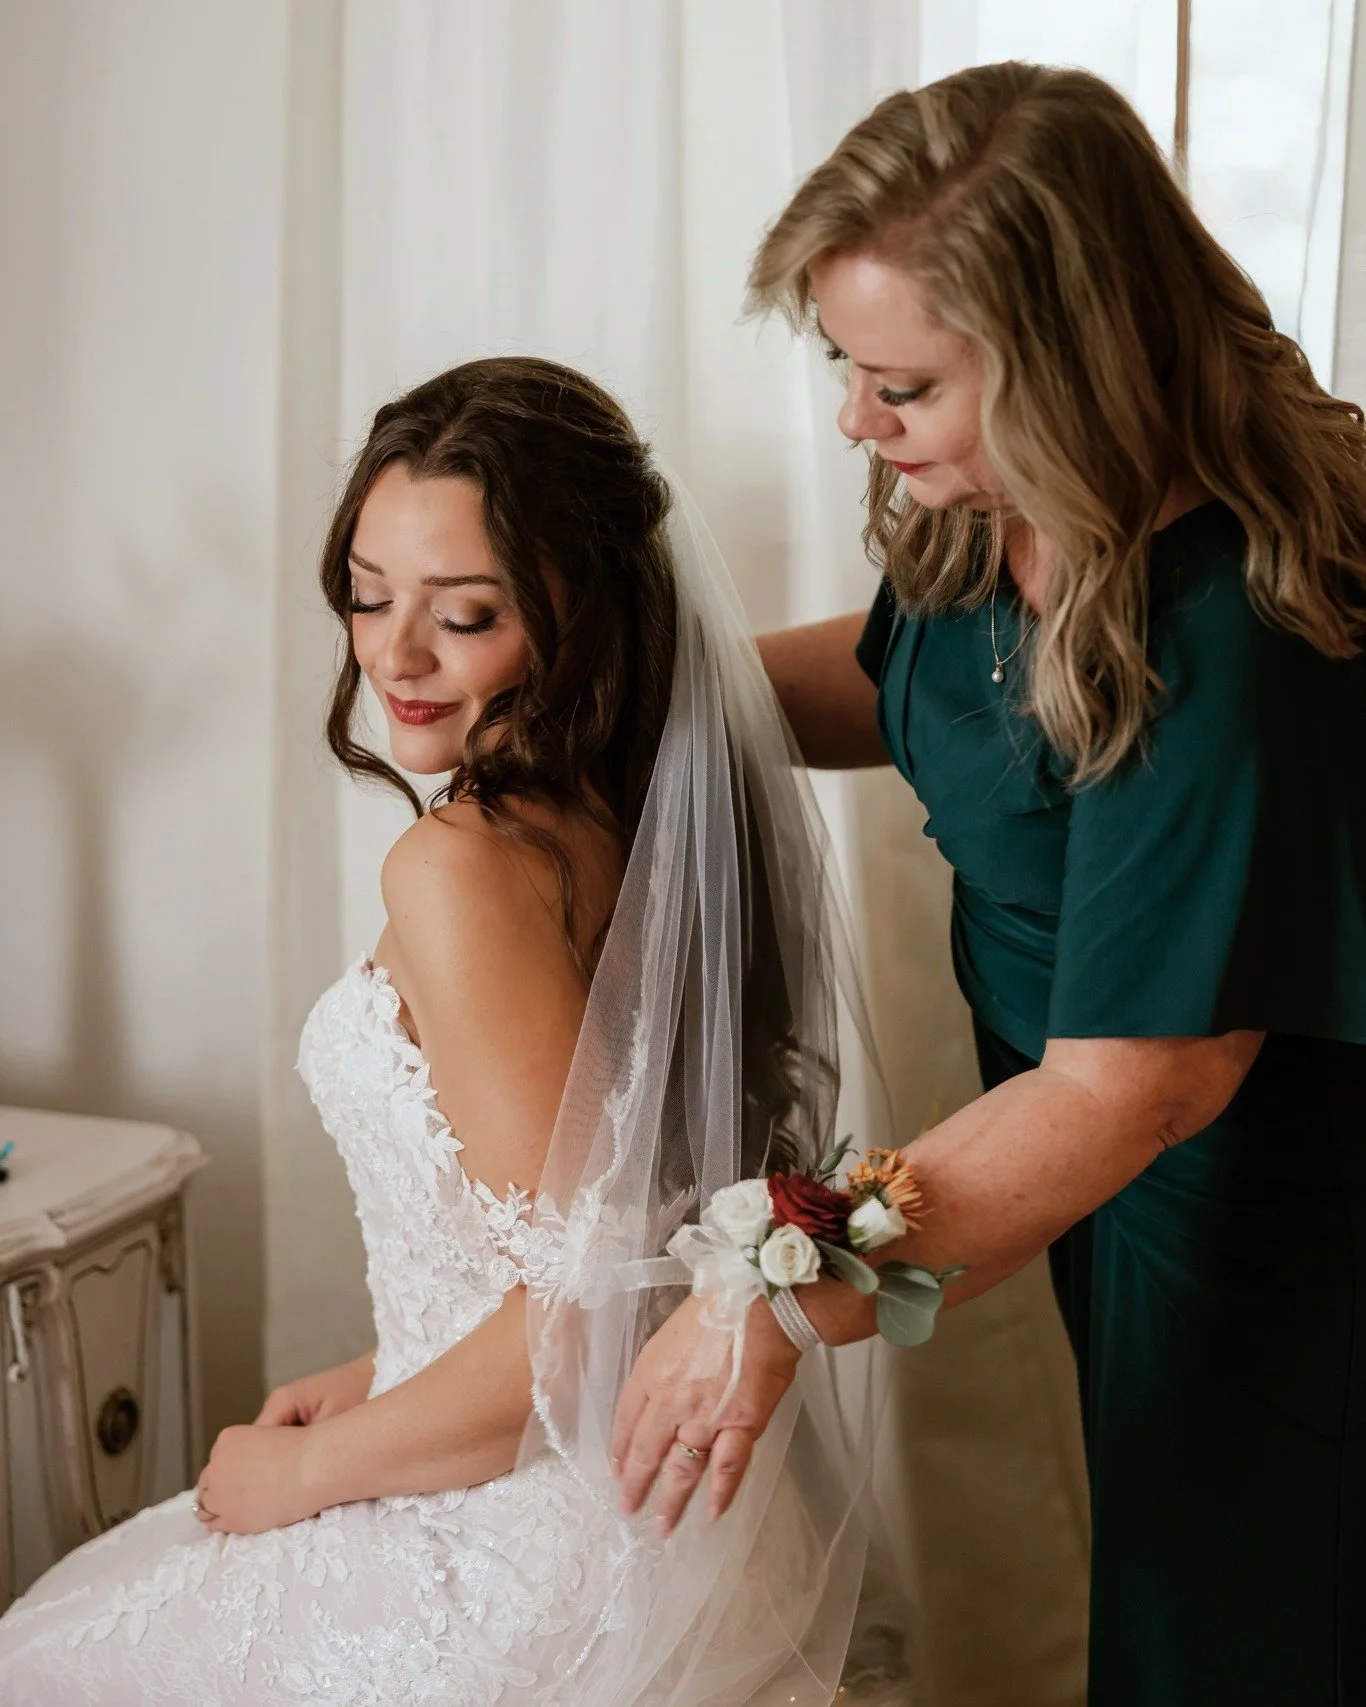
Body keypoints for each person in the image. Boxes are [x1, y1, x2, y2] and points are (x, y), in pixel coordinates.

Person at [612, 61, 1366, 1707]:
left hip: (1255, 1219)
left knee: (1245, 1632)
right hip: (1095, 1183)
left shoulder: (1228, 632)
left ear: (1067, 361)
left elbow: (1122, 1090)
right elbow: (912, 688)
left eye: (901, 385)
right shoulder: (995, 499)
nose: (852, 423)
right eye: (842, 366)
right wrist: (642, 699)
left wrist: (767, 1286)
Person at [0, 359, 891, 1706]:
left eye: (461, 613)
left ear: (573, 614)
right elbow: (612, 1226)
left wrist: (300, 1471)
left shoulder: (463, 867)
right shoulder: (626, 804)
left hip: (544, 1528)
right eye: (367, 593)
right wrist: (375, 1375)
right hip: (667, 1500)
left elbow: (578, 1315)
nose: (393, 654)